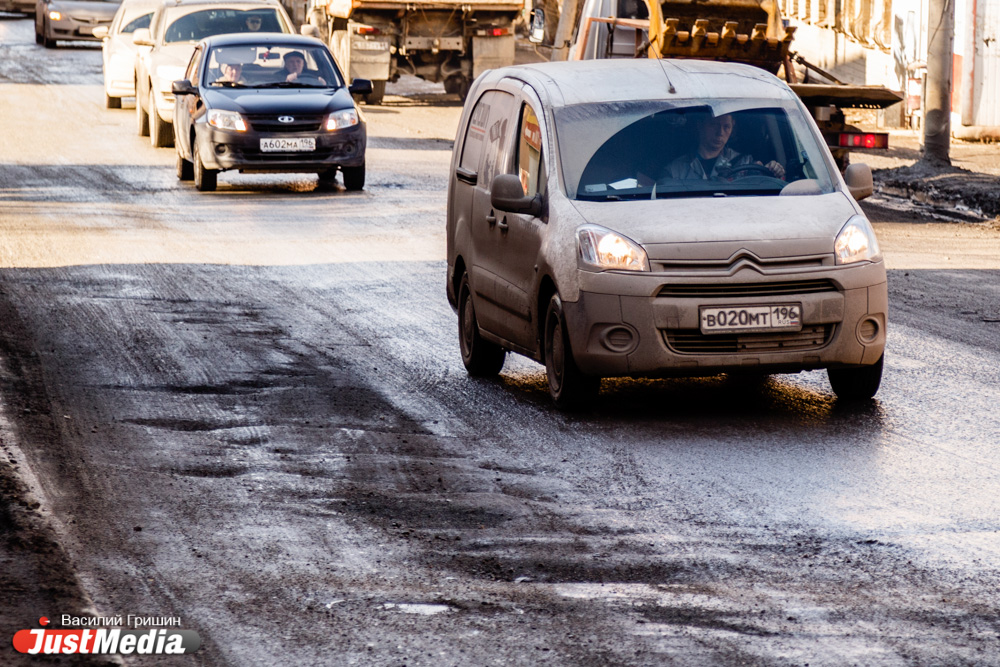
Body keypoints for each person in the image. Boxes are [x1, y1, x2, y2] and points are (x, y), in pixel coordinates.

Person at [667, 113, 785, 180]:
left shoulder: (746, 163)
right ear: (700, 126)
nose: (720, 133)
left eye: (726, 127)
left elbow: (763, 186)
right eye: (714, 125)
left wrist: (773, 171)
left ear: (732, 128)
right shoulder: (676, 169)